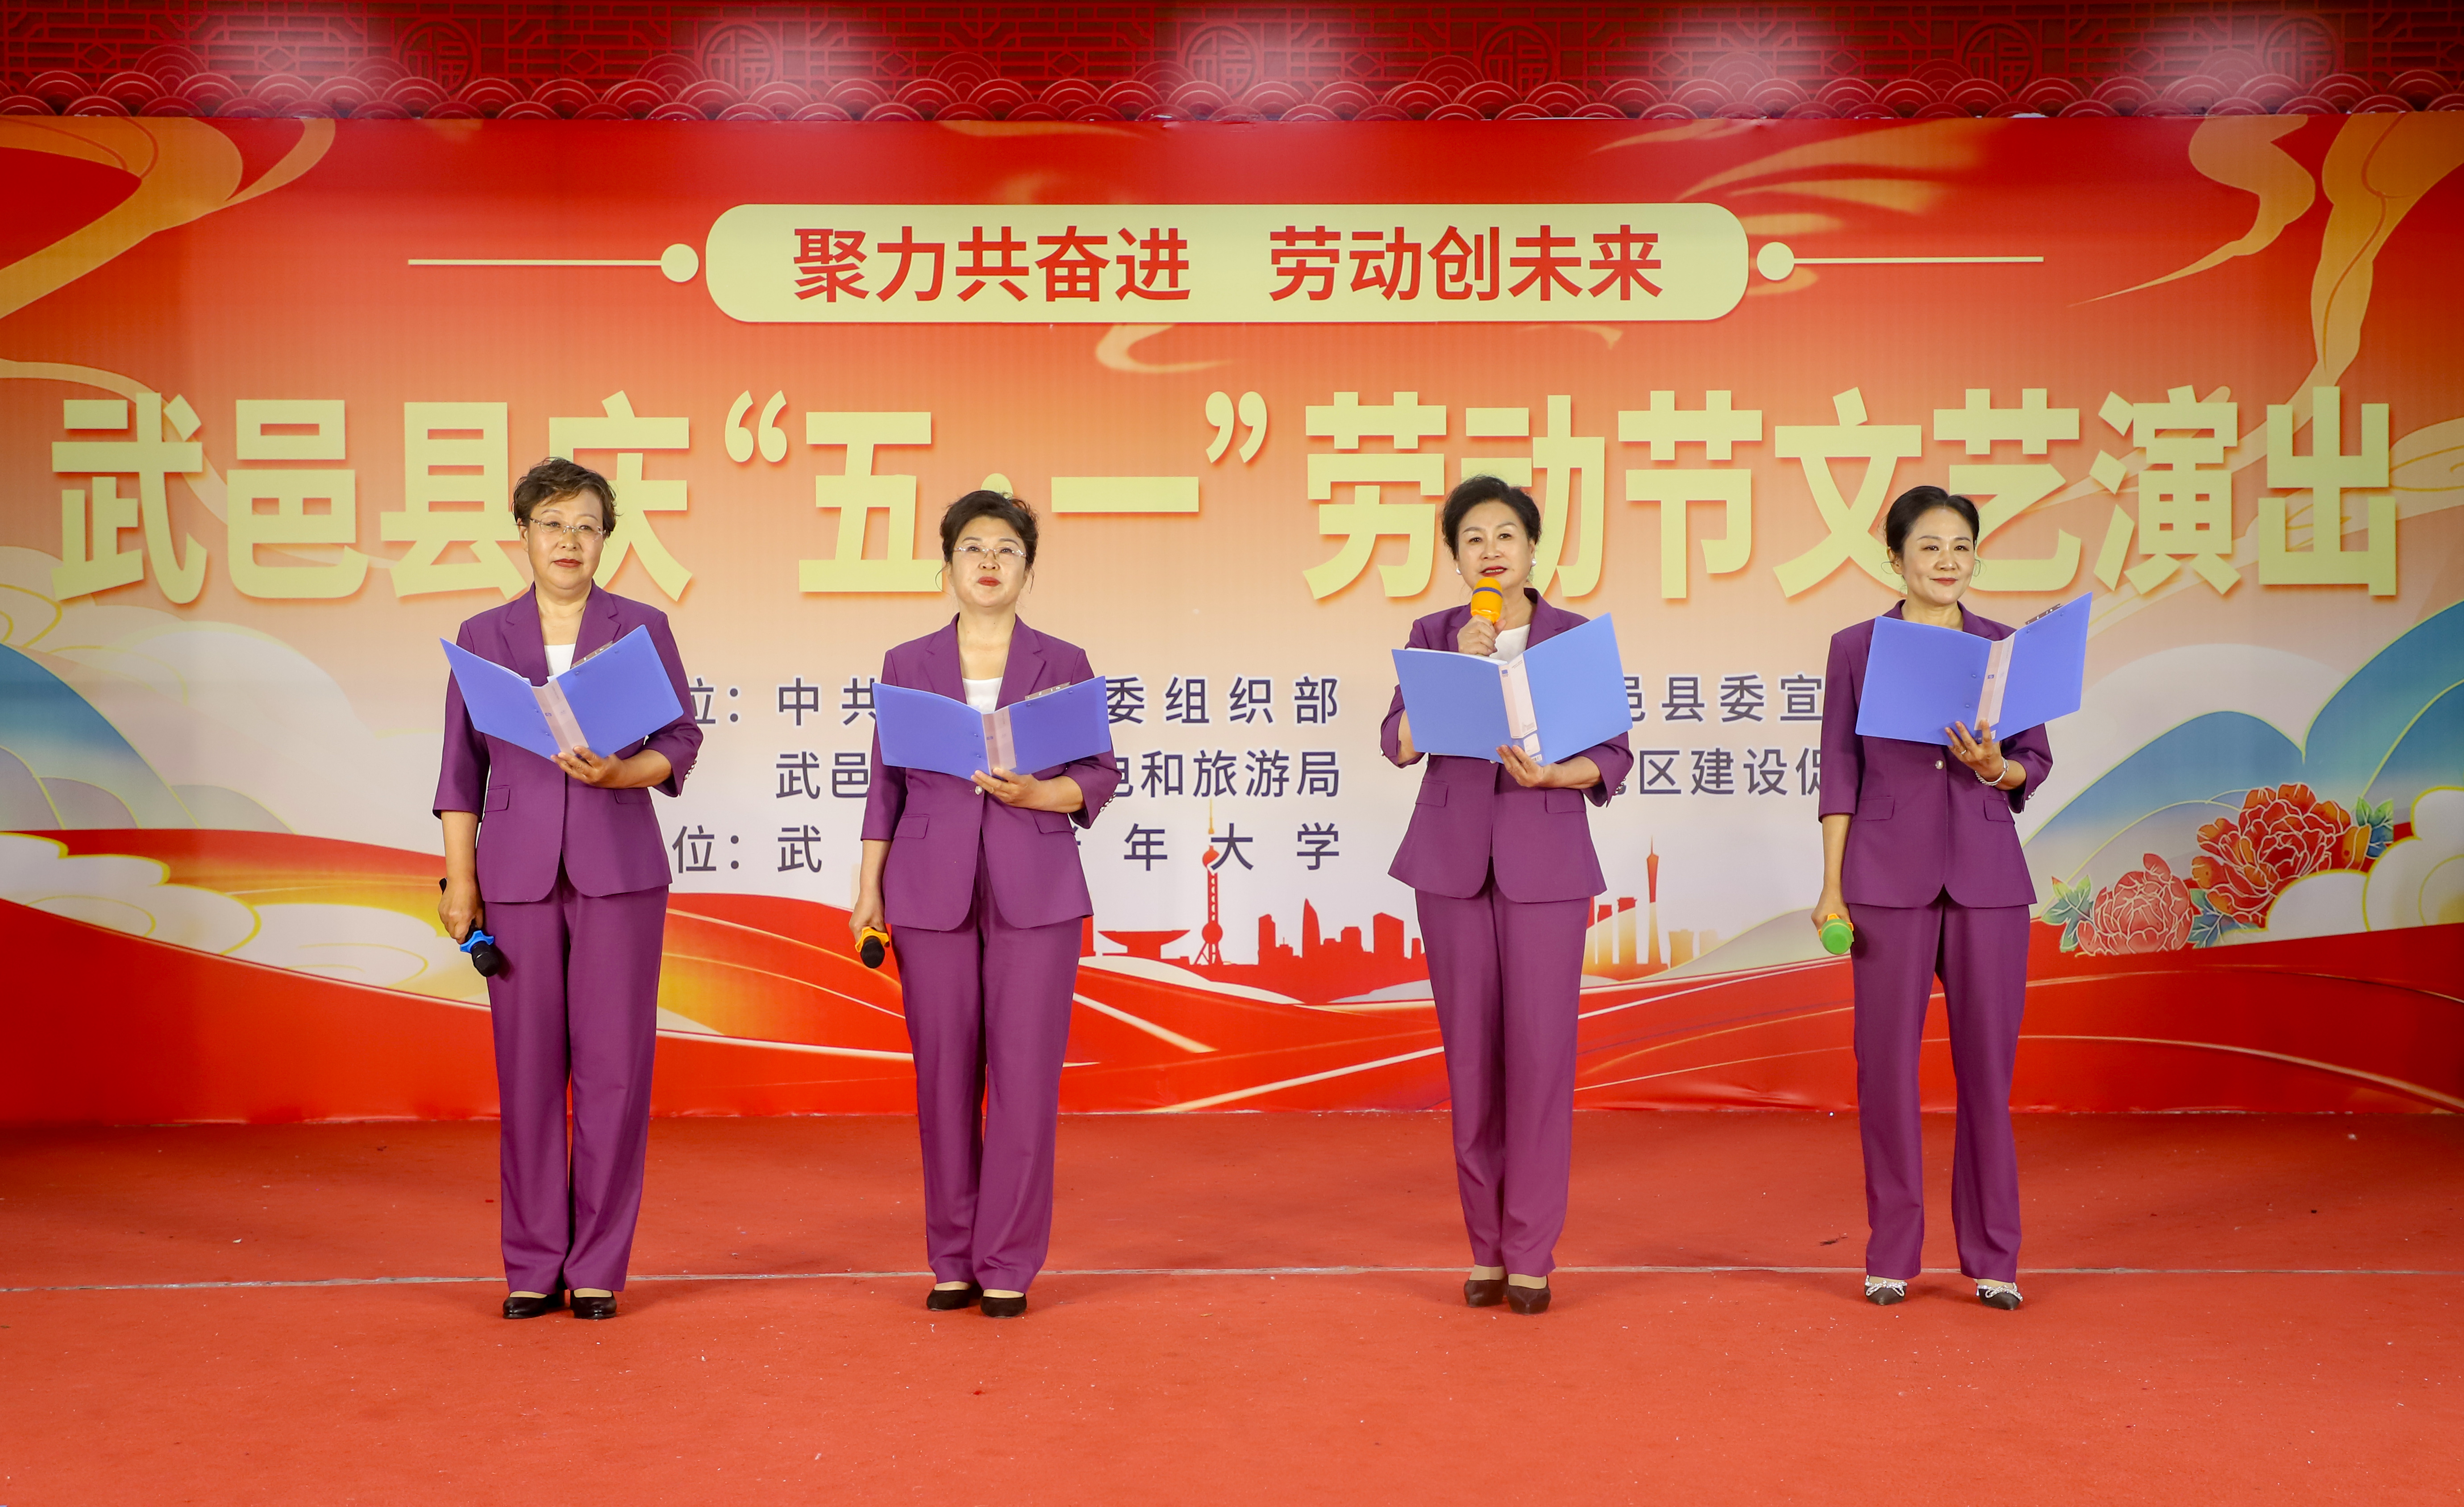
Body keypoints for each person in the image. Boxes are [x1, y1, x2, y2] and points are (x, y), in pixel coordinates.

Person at [435, 456, 702, 1321]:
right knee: (527, 1072)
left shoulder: (641, 628)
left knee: (615, 1071)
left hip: (618, 869)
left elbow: (682, 740)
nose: (569, 540)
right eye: (552, 524)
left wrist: (626, 771)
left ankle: (596, 1266)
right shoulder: (483, 635)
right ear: (523, 533)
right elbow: (459, 770)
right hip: (514, 875)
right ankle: (531, 1261)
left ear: (606, 539)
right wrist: (462, 880)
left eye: (586, 526)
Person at [851, 491, 1120, 1319]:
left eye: (1007, 549)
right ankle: (953, 1257)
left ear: (1028, 568)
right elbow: (885, 787)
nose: (989, 562)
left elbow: (1100, 775)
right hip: (927, 887)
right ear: (947, 566)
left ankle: (1008, 1261)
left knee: (1025, 1080)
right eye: (973, 547)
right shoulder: (907, 663)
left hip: (1035, 886)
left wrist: (1041, 793)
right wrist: (868, 891)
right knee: (943, 1078)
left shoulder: (1063, 661)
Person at [1381, 475, 1634, 1315]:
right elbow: (1397, 743)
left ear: (1533, 549)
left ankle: (1530, 1251)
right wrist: (1458, 667)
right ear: (1456, 559)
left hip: (1547, 866)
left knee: (1540, 1061)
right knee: (1472, 1064)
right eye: (1474, 540)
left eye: (1506, 536)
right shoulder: (1434, 635)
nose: (1491, 551)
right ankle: (1484, 1249)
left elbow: (1616, 755)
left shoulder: (1573, 639)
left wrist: (1561, 774)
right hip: (1451, 868)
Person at [1814, 484, 2054, 1311]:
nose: (1948, 562)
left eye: (1961, 547)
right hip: (1885, 879)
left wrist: (1998, 768)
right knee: (1885, 1070)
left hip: (1988, 880)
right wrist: (1831, 887)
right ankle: (1892, 1251)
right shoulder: (1855, 648)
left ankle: (1994, 1257)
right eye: (1930, 547)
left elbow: (2033, 761)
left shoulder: (2005, 649)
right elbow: (1838, 773)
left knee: (1988, 1075)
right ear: (1896, 559)